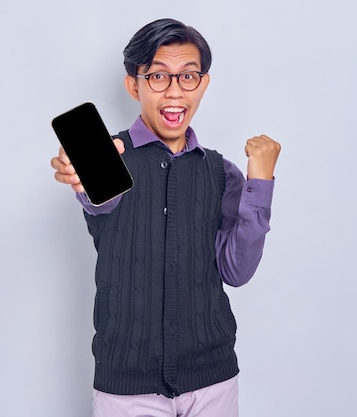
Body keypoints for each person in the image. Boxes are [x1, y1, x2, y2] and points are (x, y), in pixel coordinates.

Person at [51, 18, 281, 417]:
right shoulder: (112, 156)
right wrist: (81, 173)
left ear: (203, 84)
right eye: (158, 76)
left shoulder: (220, 172)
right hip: (127, 387)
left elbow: (237, 270)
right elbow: (97, 201)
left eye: (188, 76)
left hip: (213, 380)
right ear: (133, 85)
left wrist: (260, 181)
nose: (175, 92)